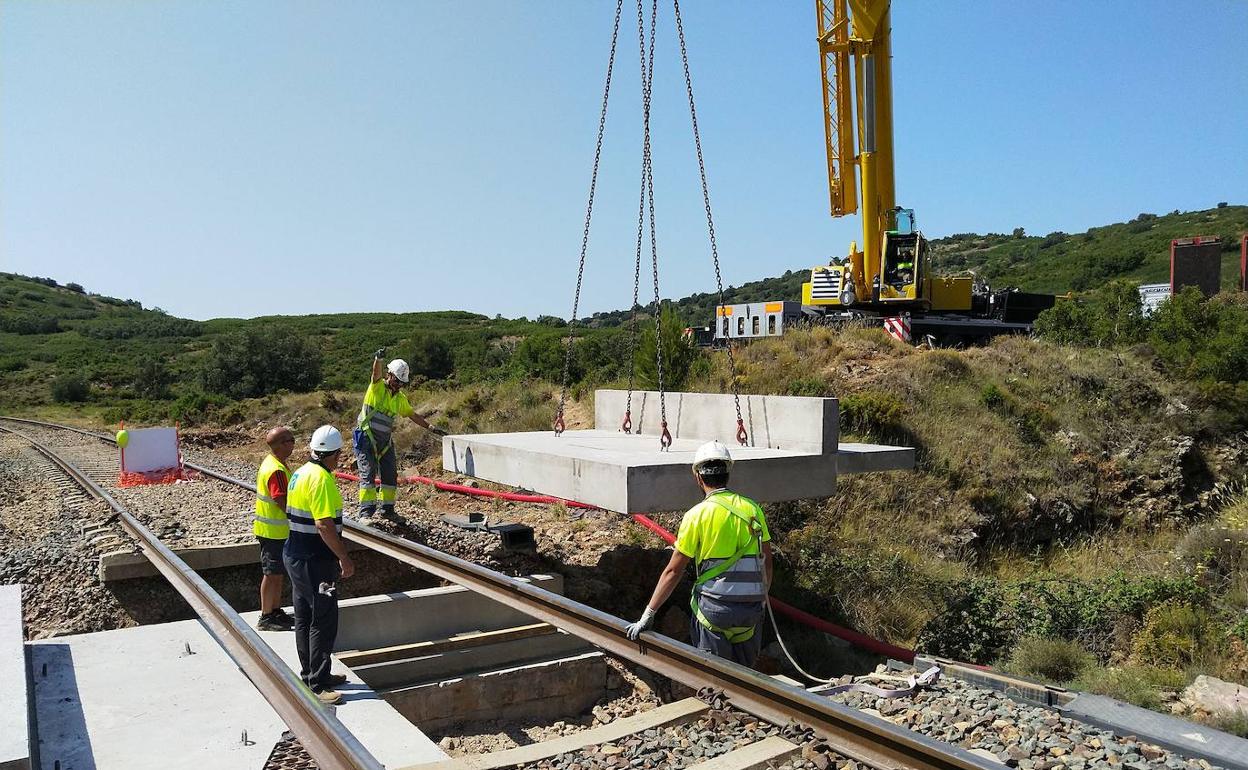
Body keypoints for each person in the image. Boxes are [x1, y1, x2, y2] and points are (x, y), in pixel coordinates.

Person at [625, 440, 773, 668]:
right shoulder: (752, 509)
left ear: (698, 477)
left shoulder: (697, 515)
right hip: (750, 613)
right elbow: (767, 564)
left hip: (714, 613)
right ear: (728, 473)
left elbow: (673, 571)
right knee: (746, 680)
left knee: (714, 678)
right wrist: (760, 602)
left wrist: (649, 613)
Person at [284, 425, 354, 705]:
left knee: (304, 617)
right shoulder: (322, 479)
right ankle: (318, 682)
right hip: (316, 561)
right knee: (323, 619)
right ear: (333, 454)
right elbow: (324, 525)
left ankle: (311, 673)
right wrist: (344, 557)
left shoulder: (300, 473)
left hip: (295, 555)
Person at [354, 348, 444, 521]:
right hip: (366, 437)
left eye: (402, 383)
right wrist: (377, 359)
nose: (399, 385)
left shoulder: (400, 398)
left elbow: (412, 415)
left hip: (385, 441)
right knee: (368, 474)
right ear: (389, 375)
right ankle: (365, 514)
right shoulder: (377, 388)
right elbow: (375, 374)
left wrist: (430, 427)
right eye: (397, 380)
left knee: (389, 475)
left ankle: (387, 510)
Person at [254, 426, 296, 632]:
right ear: (281, 444)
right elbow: (280, 498)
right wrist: (297, 515)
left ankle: (275, 611)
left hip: (273, 531)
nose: (293, 444)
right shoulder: (276, 470)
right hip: (274, 532)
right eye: (290, 440)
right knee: (271, 573)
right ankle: (266, 615)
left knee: (277, 573)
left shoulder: (274, 463)